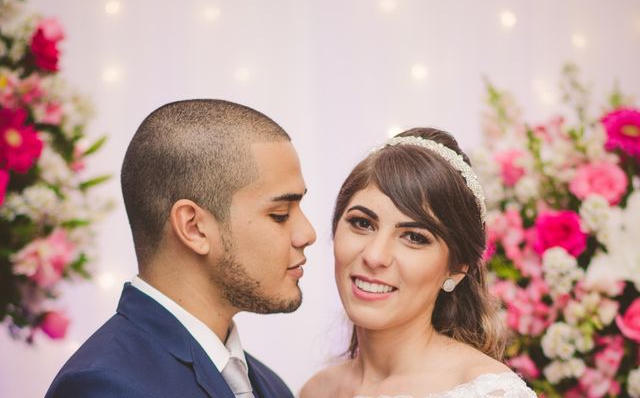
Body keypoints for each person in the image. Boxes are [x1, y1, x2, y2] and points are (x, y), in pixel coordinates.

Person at [46, 99, 316, 398]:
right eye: (280, 214)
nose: (308, 233)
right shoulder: (105, 386)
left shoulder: (272, 387)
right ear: (193, 227)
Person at [301, 127, 536, 398]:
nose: (375, 256)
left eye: (414, 237)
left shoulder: (491, 392)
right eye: (362, 223)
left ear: (457, 267)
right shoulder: (316, 391)